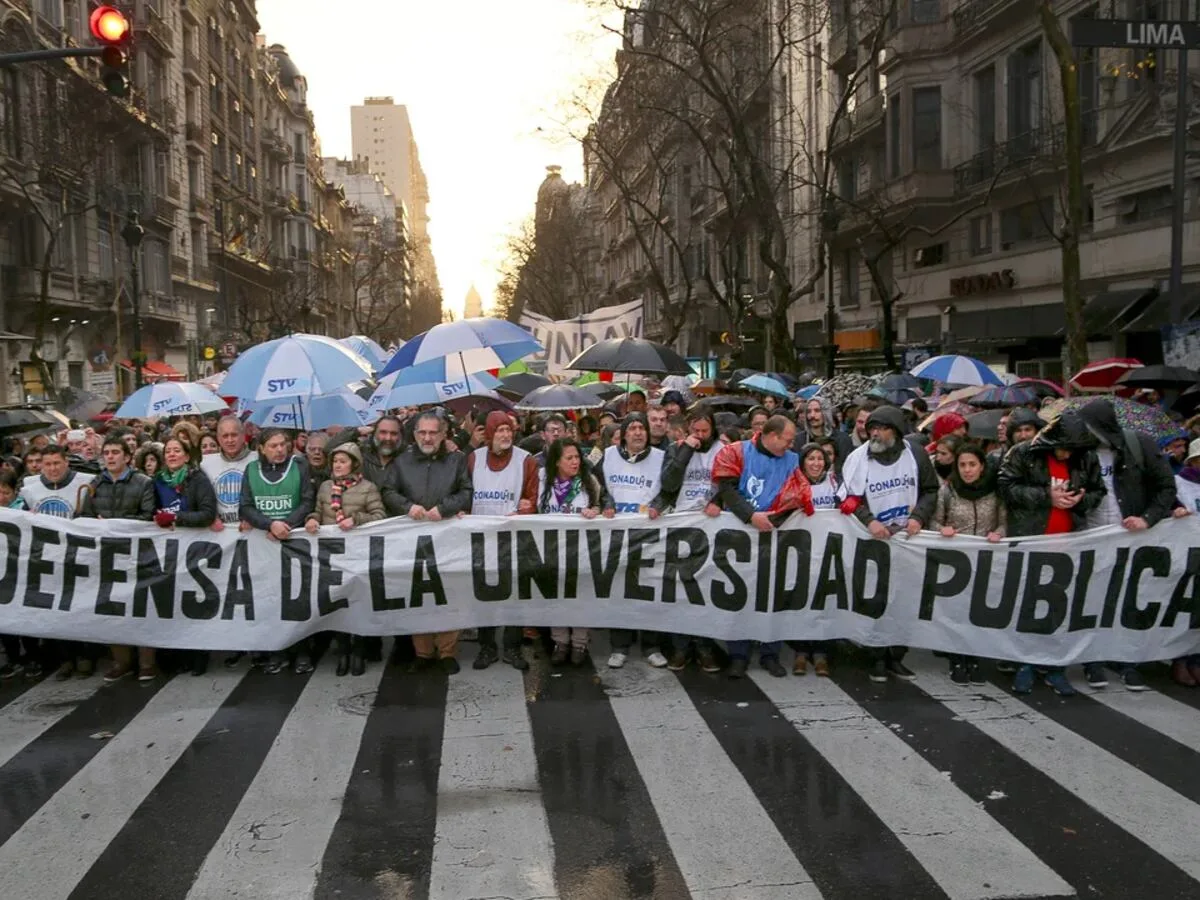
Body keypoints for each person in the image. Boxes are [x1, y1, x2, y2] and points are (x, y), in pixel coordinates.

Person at [999, 411, 1105, 696]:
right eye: (1063, 447)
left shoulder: (1085, 458)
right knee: (1027, 607)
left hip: (1069, 544)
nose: (1067, 453)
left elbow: (1098, 491)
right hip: (1032, 540)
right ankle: (1025, 664)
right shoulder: (1023, 453)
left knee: (1059, 610)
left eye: (1072, 449)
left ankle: (1055, 668)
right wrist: (1048, 496)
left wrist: (1082, 500)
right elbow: (1006, 487)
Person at [1077, 398, 1177, 691]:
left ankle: (1126, 661)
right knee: (1092, 600)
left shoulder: (1139, 446)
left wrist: (1148, 518)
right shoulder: (1081, 452)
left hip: (1131, 540)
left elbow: (1166, 487)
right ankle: (1092, 660)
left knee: (1126, 600)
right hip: (1091, 537)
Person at [840, 405, 939, 682]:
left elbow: (931, 490)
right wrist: (869, 520)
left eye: (881, 428)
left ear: (894, 431)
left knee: (904, 601)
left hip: (908, 540)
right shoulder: (858, 458)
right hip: (874, 540)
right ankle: (876, 657)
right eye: (871, 428)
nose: (874, 433)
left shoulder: (916, 454)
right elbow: (847, 498)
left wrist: (919, 517)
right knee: (876, 599)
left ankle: (897, 656)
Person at [712, 414, 814, 678]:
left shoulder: (792, 461)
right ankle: (738, 653)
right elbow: (727, 489)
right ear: (771, 436)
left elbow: (800, 496)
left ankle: (771, 652)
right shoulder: (736, 452)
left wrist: (775, 518)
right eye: (787, 440)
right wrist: (750, 515)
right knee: (740, 595)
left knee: (773, 596)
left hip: (775, 536)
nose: (790, 446)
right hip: (741, 536)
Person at [382, 410, 473, 673]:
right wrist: (407, 507)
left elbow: (466, 492)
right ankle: (422, 652)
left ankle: (447, 652)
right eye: (422, 432)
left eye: (433, 432)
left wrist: (443, 509)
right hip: (413, 540)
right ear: (414, 434)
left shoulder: (457, 460)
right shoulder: (402, 461)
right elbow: (388, 491)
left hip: (447, 539)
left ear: (444, 434)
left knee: (449, 593)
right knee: (417, 594)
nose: (427, 437)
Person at [593, 411, 669, 669]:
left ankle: (651, 646)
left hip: (648, 534)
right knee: (619, 590)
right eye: (633, 428)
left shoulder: (661, 457)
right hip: (617, 535)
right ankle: (620, 646)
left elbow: (670, 489)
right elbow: (597, 486)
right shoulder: (609, 455)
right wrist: (606, 502)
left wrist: (659, 504)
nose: (638, 432)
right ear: (623, 434)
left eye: (642, 428)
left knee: (649, 590)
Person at [78, 435, 157, 682]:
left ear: (127, 457)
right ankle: (121, 661)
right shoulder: (94, 485)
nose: (110, 457)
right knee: (111, 608)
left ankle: (146, 663)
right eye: (107, 453)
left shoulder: (143, 483)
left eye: (115, 452)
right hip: (106, 557)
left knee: (140, 607)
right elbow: (82, 518)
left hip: (136, 554)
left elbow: (148, 517)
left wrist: (115, 525)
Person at [238, 428, 316, 674]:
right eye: (273, 445)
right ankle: (277, 650)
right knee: (269, 599)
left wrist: (287, 525)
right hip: (264, 543)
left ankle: (302, 650)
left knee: (297, 598)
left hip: (293, 541)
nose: (279, 449)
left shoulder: (299, 465)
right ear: (261, 448)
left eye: (282, 444)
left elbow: (307, 501)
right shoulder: (251, 470)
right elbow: (245, 506)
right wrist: (269, 524)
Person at [305, 442, 386, 676]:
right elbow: (318, 511)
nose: (337, 466)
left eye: (343, 461)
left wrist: (356, 518)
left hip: (358, 554)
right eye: (335, 462)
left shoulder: (368, 488)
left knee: (358, 601)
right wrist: (312, 519)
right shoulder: (325, 487)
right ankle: (343, 651)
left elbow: (379, 515)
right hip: (331, 554)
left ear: (354, 463)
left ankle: (359, 651)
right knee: (337, 602)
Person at [467, 411, 538, 671]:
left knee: (514, 593)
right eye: (500, 431)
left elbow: (534, 499)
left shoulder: (526, 461)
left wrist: (525, 510)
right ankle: (487, 646)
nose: (506, 435)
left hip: (513, 539)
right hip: (480, 539)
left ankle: (512, 646)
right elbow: (465, 492)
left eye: (509, 430)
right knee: (483, 593)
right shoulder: (474, 459)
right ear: (489, 434)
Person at [931, 443, 1006, 685]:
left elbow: (1005, 522)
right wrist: (943, 529)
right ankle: (956, 658)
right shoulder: (948, 491)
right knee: (956, 611)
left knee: (979, 611)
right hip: (956, 562)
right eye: (962, 465)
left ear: (982, 466)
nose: (967, 470)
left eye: (972, 464)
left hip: (985, 560)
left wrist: (999, 533)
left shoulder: (995, 492)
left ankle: (975, 657)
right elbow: (933, 521)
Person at [657, 406, 723, 673]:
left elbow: (732, 484)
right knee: (681, 590)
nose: (700, 435)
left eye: (704, 431)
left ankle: (705, 646)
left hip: (711, 527)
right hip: (682, 527)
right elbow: (669, 483)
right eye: (695, 430)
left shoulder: (723, 450)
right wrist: (686, 451)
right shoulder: (676, 449)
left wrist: (717, 501)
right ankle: (681, 647)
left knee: (705, 590)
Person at [153, 431, 218, 675]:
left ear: (187, 455)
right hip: (167, 552)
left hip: (194, 551)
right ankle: (175, 656)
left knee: (193, 603)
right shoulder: (157, 481)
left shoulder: (197, 479)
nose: (172, 454)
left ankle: (198, 657)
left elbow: (207, 513)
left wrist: (177, 518)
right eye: (168, 451)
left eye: (177, 450)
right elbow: (148, 511)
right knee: (170, 603)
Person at [537, 437, 604, 664]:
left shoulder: (589, 482)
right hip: (552, 551)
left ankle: (579, 644)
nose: (575, 462)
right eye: (570, 458)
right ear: (557, 461)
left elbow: (602, 507)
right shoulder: (542, 480)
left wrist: (595, 511)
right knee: (556, 597)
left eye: (577, 457)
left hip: (581, 552)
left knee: (580, 597)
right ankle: (560, 642)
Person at [792, 442, 840, 676]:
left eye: (820, 459)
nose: (816, 463)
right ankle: (801, 651)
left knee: (824, 602)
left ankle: (821, 652)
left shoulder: (834, 484)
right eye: (810, 458)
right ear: (803, 462)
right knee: (801, 600)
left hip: (827, 552)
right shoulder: (793, 484)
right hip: (800, 553)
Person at [201, 415, 258, 532]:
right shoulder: (205, 463)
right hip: (220, 532)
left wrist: (254, 518)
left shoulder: (258, 459)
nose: (230, 440)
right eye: (225, 436)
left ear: (243, 436)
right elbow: (201, 499)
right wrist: (211, 518)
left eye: (234, 435)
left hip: (252, 530)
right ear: (218, 438)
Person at [796, 398, 853, 472]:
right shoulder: (799, 440)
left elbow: (846, 468)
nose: (812, 415)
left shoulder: (842, 439)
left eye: (817, 411)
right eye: (809, 411)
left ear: (826, 412)